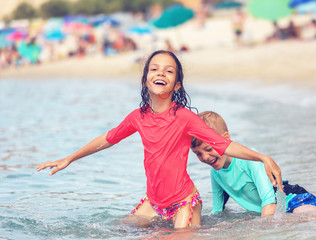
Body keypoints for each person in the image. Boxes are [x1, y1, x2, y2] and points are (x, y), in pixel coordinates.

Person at [36, 50, 282, 228]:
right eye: (154, 68)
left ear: (176, 85)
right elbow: (107, 139)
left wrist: (262, 157)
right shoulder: (137, 117)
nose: (160, 72)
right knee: (116, 230)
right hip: (153, 202)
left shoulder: (185, 118)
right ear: (145, 80)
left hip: (184, 201)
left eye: (169, 70)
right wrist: (69, 158)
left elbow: (223, 144)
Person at [191, 111, 316, 216]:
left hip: (294, 200)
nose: (205, 157)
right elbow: (217, 211)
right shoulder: (215, 173)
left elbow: (269, 202)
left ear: (225, 139)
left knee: (306, 216)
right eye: (198, 153)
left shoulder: (249, 160)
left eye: (208, 149)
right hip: (275, 210)